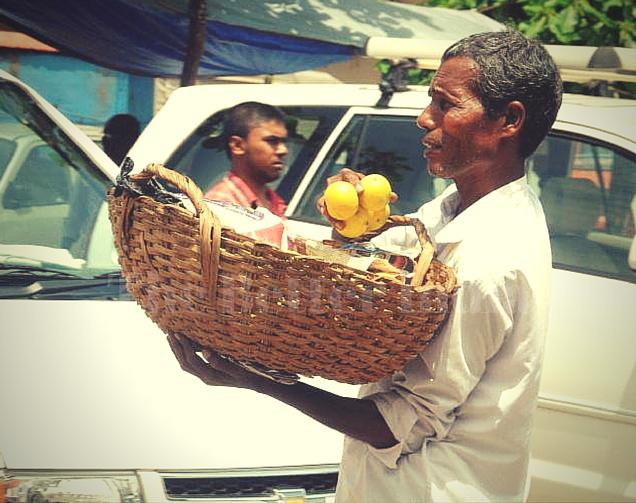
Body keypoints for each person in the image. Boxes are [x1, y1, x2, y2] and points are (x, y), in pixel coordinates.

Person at [167, 29, 563, 502]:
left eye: (445, 104)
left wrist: (256, 378)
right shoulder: (455, 210)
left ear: (508, 120)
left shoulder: (492, 257)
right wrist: (348, 223)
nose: (424, 118)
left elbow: (401, 424)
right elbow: (371, 261)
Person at [203, 101, 289, 217]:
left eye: (283, 142)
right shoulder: (220, 207)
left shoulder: (274, 202)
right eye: (272, 141)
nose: (283, 150)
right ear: (237, 145)